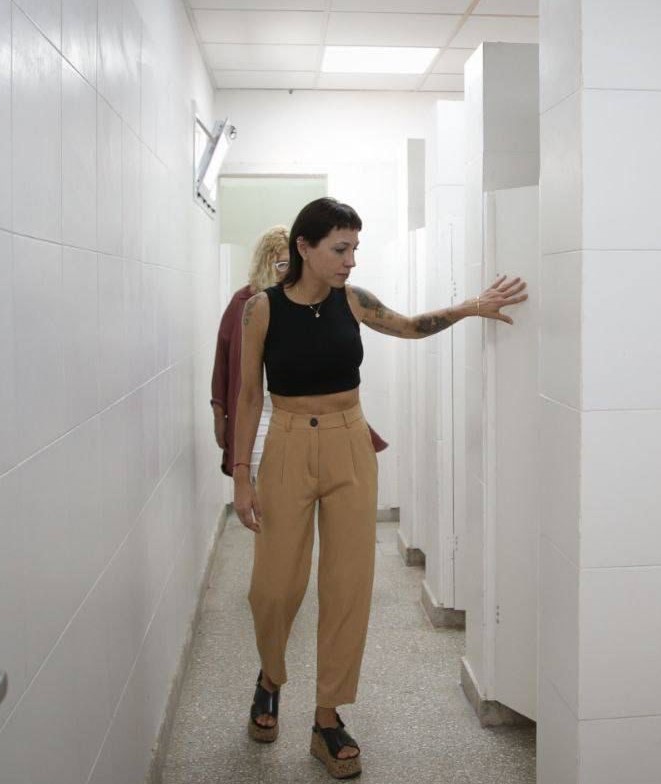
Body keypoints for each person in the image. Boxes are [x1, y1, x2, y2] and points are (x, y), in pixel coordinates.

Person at [232, 197, 526, 779]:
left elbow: (411, 326)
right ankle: (270, 676)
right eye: (340, 249)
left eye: (355, 249)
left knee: (347, 585)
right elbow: (247, 396)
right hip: (287, 445)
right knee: (274, 588)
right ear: (304, 248)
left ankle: (327, 717)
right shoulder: (261, 309)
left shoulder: (353, 301)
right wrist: (242, 474)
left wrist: (471, 306)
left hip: (349, 443)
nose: (351, 261)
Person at [211, 227, 388, 479]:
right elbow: (223, 360)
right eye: (282, 264)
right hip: (260, 414)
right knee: (266, 488)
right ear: (265, 265)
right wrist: (219, 413)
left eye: (293, 263)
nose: (289, 271)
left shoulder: (312, 302)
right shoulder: (245, 303)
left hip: (302, 415)